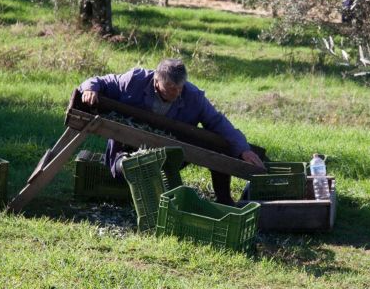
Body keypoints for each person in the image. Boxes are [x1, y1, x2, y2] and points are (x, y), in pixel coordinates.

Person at [78, 58, 264, 205]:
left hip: (170, 151)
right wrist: (90, 90)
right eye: (171, 88)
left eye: (179, 88)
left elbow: (218, 122)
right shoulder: (135, 80)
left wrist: (243, 149)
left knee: (219, 146)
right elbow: (100, 81)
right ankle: (128, 166)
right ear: (156, 80)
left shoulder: (193, 97)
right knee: (126, 169)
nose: (176, 92)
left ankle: (224, 199)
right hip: (127, 145)